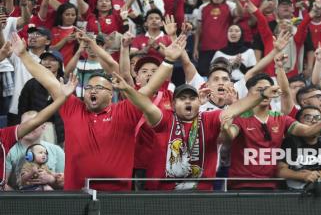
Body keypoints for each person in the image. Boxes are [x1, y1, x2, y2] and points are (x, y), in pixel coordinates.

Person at [13, 32, 186, 191]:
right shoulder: (72, 107)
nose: (92, 90)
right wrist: (23, 55)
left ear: (111, 94)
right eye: (88, 87)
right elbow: (47, 79)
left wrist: (168, 61)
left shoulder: (125, 110)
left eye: (98, 87)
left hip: (117, 195)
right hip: (77, 193)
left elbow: (149, 88)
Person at [111, 62, 282, 191]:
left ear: (199, 101)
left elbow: (238, 107)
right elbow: (145, 104)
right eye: (182, 98)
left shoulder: (209, 119)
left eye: (191, 98)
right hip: (162, 194)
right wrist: (127, 89)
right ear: (173, 103)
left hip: (200, 196)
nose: (187, 101)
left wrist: (262, 94)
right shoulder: (164, 120)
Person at [224, 72, 321, 190]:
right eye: (260, 90)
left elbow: (307, 131)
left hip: (272, 185)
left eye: (268, 89)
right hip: (242, 185)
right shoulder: (240, 118)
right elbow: (229, 135)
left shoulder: (281, 118)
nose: (265, 93)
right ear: (248, 94)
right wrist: (226, 128)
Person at [1, 34, 74, 190]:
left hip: (53, 130)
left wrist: (52, 179)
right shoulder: (31, 85)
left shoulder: (4, 137)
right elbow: (33, 119)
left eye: (52, 60)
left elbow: (64, 183)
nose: (48, 63)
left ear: (60, 64)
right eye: (45, 59)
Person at [277, 106, 321, 190]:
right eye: (308, 118)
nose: (314, 121)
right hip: (292, 192)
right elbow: (280, 171)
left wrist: (316, 174)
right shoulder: (290, 142)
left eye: (318, 118)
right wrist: (303, 176)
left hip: (320, 191)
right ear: (298, 123)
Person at [5, 111, 64, 191]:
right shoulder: (8, 150)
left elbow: (67, 183)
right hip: (18, 199)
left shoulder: (56, 150)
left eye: (33, 124)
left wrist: (51, 179)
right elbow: (2, 185)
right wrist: (20, 199)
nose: (28, 128)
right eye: (25, 124)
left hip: (50, 199)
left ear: (43, 127)